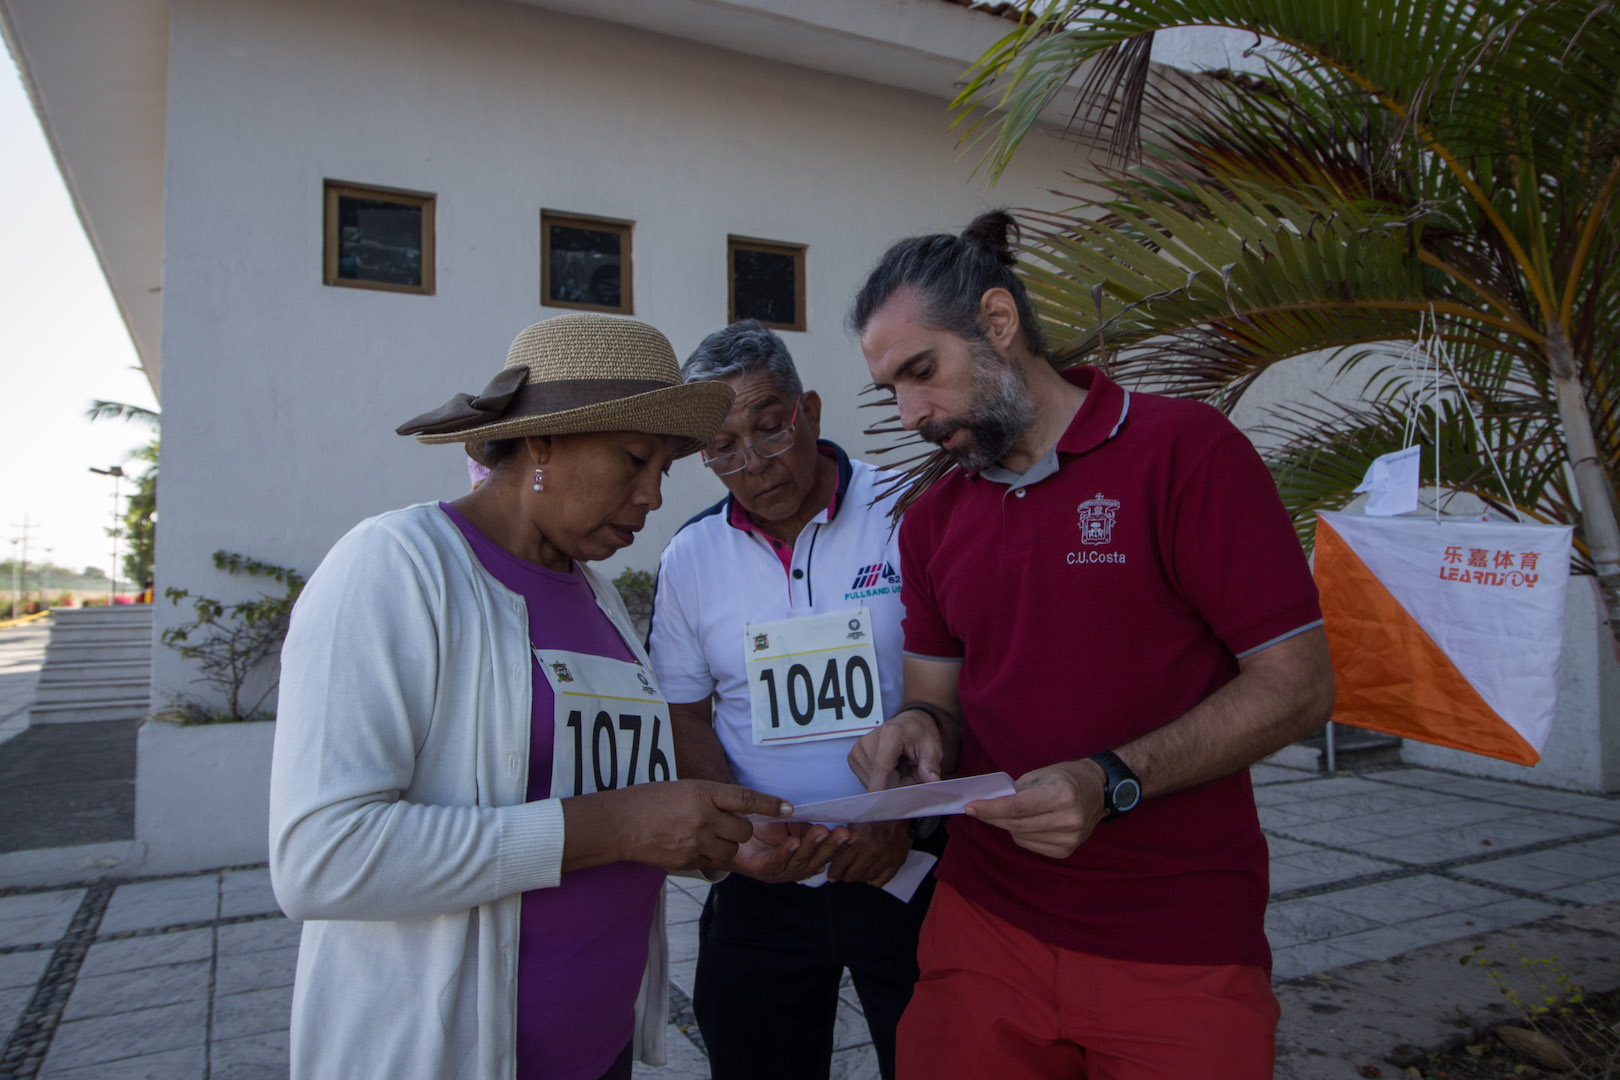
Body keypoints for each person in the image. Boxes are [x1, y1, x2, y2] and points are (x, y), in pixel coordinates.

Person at [845, 212, 1336, 1079]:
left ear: (998, 323)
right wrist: (916, 731)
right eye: (891, 389)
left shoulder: (1185, 453)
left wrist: (1109, 780)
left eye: (921, 372)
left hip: (1178, 940)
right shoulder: (930, 524)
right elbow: (936, 704)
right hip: (982, 927)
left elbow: (1298, 685)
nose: (910, 412)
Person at [269, 313, 795, 1080]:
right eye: (634, 459)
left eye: (666, 470)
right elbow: (320, 858)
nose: (652, 496)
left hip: (600, 1047)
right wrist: (609, 829)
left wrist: (705, 835)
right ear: (542, 441)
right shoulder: (395, 568)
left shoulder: (598, 596)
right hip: (448, 1054)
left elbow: (607, 793)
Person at [647, 320, 939, 1080]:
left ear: (809, 409)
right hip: (767, 884)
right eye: (723, 447)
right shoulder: (691, 557)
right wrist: (742, 831)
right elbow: (683, 709)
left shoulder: (911, 509)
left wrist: (900, 815)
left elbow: (961, 670)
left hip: (906, 867)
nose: (754, 463)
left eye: (771, 427)